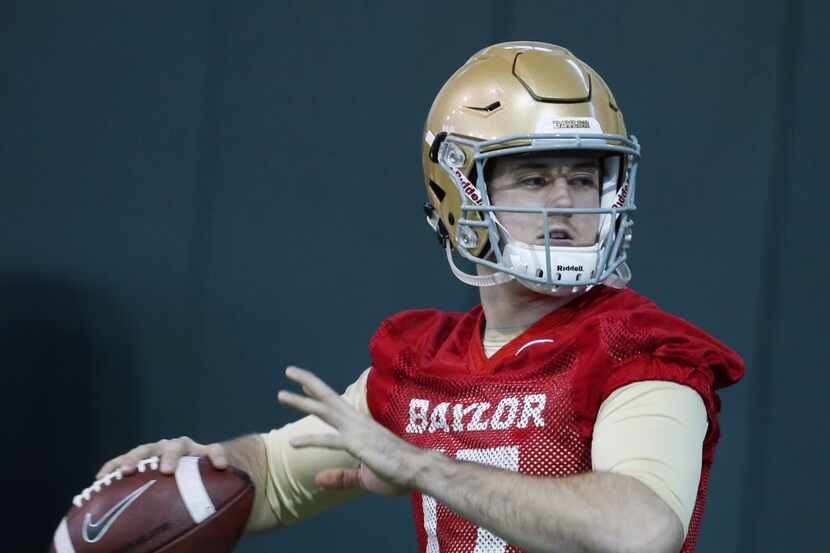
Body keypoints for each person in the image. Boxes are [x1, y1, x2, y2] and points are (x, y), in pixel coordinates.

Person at [93, 42, 744, 553]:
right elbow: (276, 477)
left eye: (584, 176)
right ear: (459, 190)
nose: (567, 202)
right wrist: (198, 470)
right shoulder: (423, 360)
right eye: (534, 176)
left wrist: (423, 464)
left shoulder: (642, 350)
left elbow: (639, 530)